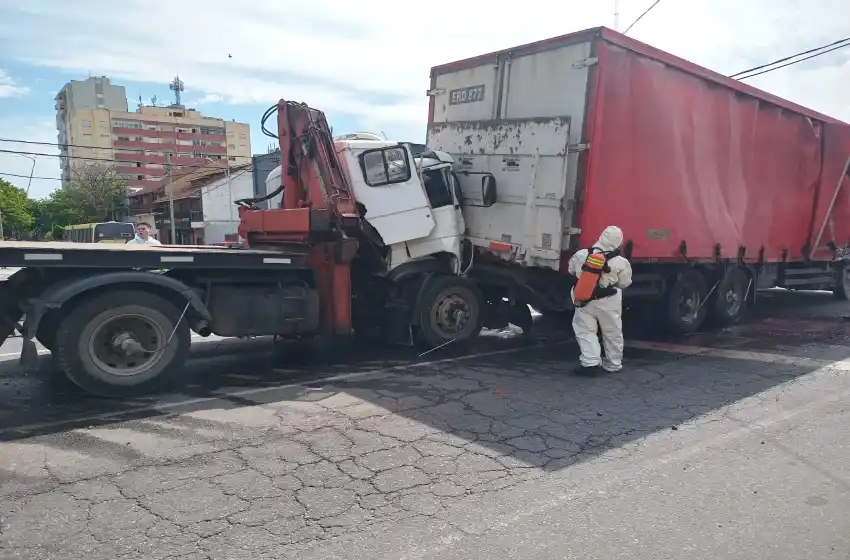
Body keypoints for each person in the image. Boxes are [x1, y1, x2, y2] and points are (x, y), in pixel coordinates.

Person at [568, 225, 632, 376]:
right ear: (618, 242)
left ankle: (590, 362)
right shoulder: (621, 262)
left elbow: (571, 270)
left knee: (585, 330)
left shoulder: (582, 254)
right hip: (609, 301)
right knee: (612, 332)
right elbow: (624, 283)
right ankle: (613, 364)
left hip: (584, 298)